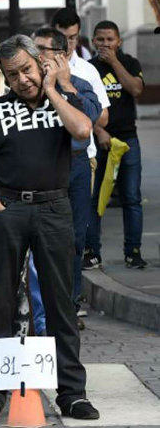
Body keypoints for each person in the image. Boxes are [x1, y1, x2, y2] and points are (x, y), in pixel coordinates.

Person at [0, 35, 99, 423]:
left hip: (54, 207)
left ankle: (72, 392)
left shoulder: (64, 103)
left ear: (40, 63)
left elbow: (83, 131)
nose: (21, 79)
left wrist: (54, 88)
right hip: (8, 208)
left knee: (60, 302)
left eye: (26, 69)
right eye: (12, 74)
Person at [33, 26, 108, 328]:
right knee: (39, 238)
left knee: (74, 237)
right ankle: (38, 306)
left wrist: (63, 85)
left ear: (61, 56)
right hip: (41, 167)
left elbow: (90, 119)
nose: (36, 55)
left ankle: (69, 303)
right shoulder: (27, 88)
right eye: (33, 47)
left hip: (75, 165)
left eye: (42, 49)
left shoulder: (80, 82)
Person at [86, 20, 145, 269]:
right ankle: (92, 252)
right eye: (100, 39)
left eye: (110, 39)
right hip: (99, 141)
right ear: (93, 41)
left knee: (131, 198)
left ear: (119, 41)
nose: (105, 44)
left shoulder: (130, 63)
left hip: (128, 140)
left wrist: (114, 63)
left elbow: (135, 89)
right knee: (96, 198)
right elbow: (82, 106)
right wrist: (99, 131)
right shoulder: (88, 69)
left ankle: (133, 251)